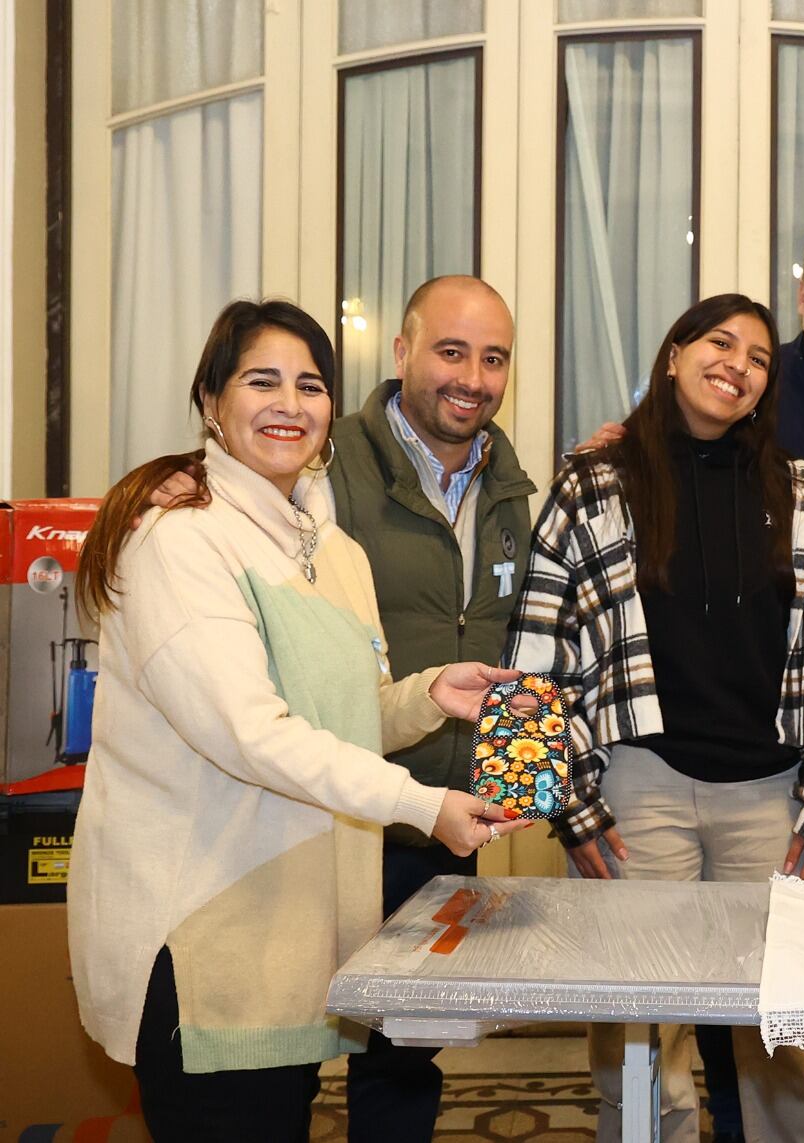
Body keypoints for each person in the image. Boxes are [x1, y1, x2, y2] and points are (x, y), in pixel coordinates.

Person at [68, 299, 531, 1142]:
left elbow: (339, 716)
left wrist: (427, 695)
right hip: (205, 940)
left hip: (294, 932)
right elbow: (254, 733)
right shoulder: (181, 541)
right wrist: (425, 804)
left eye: (310, 385)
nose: (290, 402)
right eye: (262, 380)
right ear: (212, 401)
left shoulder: (329, 547)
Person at [505, 293, 804, 1143]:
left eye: (757, 358)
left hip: (773, 799)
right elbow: (533, 654)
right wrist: (567, 806)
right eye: (718, 342)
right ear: (672, 355)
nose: (736, 364)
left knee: (792, 1047)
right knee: (637, 1043)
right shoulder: (591, 483)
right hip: (637, 793)